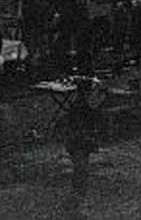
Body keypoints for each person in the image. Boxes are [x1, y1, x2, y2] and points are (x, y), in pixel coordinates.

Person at [60, 77, 100, 212]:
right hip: (78, 143)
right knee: (81, 170)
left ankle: (76, 201)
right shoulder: (80, 108)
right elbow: (77, 130)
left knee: (82, 171)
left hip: (80, 143)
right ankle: (75, 203)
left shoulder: (83, 106)